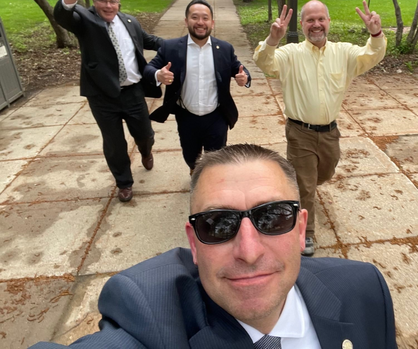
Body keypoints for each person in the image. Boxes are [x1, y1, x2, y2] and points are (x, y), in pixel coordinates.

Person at [29, 144, 397, 348]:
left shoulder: (365, 290)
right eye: (218, 224)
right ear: (193, 242)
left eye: (272, 218)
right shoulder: (148, 317)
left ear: (301, 229)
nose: (249, 252)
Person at [253, 0, 387, 256]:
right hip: (299, 132)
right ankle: (306, 233)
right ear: (302, 24)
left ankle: (302, 188)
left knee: (324, 174)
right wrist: (272, 40)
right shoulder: (290, 54)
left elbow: (371, 55)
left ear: (328, 22)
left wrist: (376, 34)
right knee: (305, 186)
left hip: (330, 133)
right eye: (310, 20)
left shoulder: (343, 52)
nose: (316, 25)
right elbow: (264, 62)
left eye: (320, 19)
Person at [54, 0, 163, 203]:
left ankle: (146, 151)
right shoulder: (85, 20)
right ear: (94, 2)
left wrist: (182, 46)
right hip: (102, 95)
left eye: (113, 1)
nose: (108, 6)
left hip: (133, 91)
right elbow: (63, 16)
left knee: (145, 134)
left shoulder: (130, 21)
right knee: (114, 143)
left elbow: (150, 41)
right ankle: (124, 183)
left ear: (119, 3)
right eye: (102, 0)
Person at [143, 0, 251, 173]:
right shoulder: (170, 47)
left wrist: (244, 77)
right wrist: (158, 75)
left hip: (216, 115)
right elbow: (148, 69)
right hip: (187, 115)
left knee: (217, 158)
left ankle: (210, 180)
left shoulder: (224, 48)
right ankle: (194, 169)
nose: (200, 22)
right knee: (190, 154)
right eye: (195, 17)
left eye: (205, 18)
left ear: (212, 23)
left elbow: (239, 68)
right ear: (186, 21)